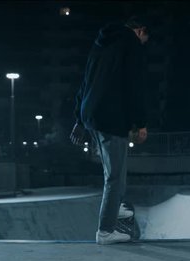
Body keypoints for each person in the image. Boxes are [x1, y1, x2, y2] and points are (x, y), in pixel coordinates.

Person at [71, 15, 150, 245]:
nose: (142, 44)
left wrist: (78, 118)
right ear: (140, 31)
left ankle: (118, 206)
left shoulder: (101, 44)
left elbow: (85, 82)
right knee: (115, 175)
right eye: (144, 40)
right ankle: (105, 231)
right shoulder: (131, 45)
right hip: (111, 116)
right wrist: (141, 122)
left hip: (91, 114)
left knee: (114, 168)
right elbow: (135, 85)